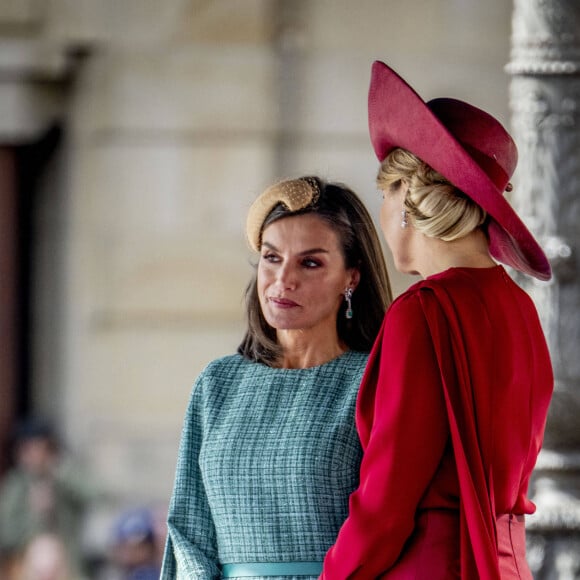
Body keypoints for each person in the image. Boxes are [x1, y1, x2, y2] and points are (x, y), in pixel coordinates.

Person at [320, 61, 554, 579]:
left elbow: (386, 499)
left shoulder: (423, 312)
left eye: (385, 193)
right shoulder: (522, 310)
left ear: (406, 195)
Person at [160, 176, 392, 578]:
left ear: (351, 277)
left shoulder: (373, 380)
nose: (284, 280)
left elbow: (387, 525)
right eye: (272, 257)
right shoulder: (218, 383)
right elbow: (188, 530)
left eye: (311, 262)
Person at [0, 417, 98, 580]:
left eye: (40, 449)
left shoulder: (65, 476)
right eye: (28, 449)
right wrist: (34, 514)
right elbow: (6, 535)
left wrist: (59, 471)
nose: (34, 455)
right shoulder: (16, 485)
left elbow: (95, 494)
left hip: (68, 564)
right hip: (26, 567)